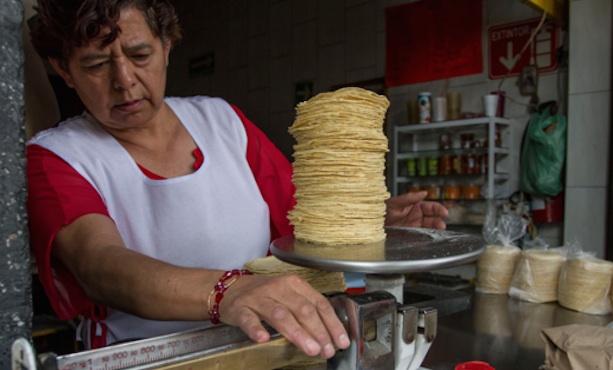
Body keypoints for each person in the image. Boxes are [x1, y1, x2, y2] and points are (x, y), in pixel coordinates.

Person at [27, 0, 449, 359]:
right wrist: (227, 291)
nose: (124, 81)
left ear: (167, 45)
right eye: (97, 65)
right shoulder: (57, 157)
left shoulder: (223, 122)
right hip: (148, 360)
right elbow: (99, 265)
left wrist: (362, 222)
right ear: (63, 69)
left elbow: (296, 216)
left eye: (140, 56)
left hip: (259, 351)